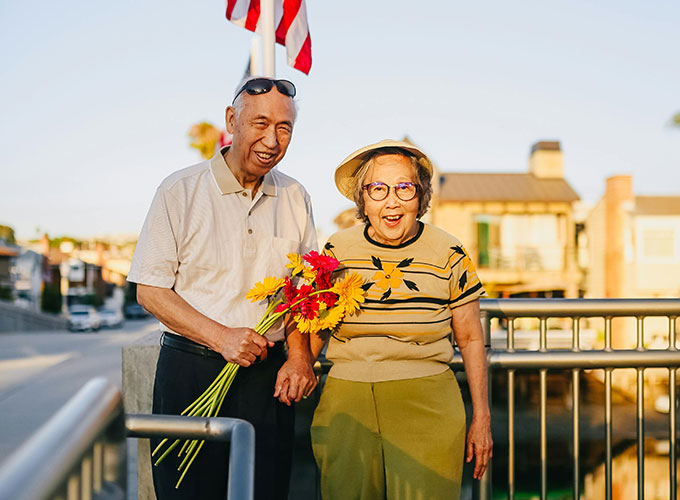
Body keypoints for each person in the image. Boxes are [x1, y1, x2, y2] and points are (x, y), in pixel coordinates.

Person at [127, 77, 318, 500]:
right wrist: (222, 337)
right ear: (232, 120)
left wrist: (300, 355)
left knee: (263, 492)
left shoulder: (295, 195)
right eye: (260, 123)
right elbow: (150, 290)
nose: (272, 139)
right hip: (189, 374)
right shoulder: (179, 190)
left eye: (284, 127)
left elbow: (304, 294)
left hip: (268, 382)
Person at [309, 139, 493, 500]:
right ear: (363, 199)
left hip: (429, 404)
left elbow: (471, 339)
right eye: (377, 189)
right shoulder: (338, 251)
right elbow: (315, 327)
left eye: (404, 188)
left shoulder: (449, 252)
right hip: (347, 404)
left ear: (420, 197)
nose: (391, 201)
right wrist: (297, 363)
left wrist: (482, 419)